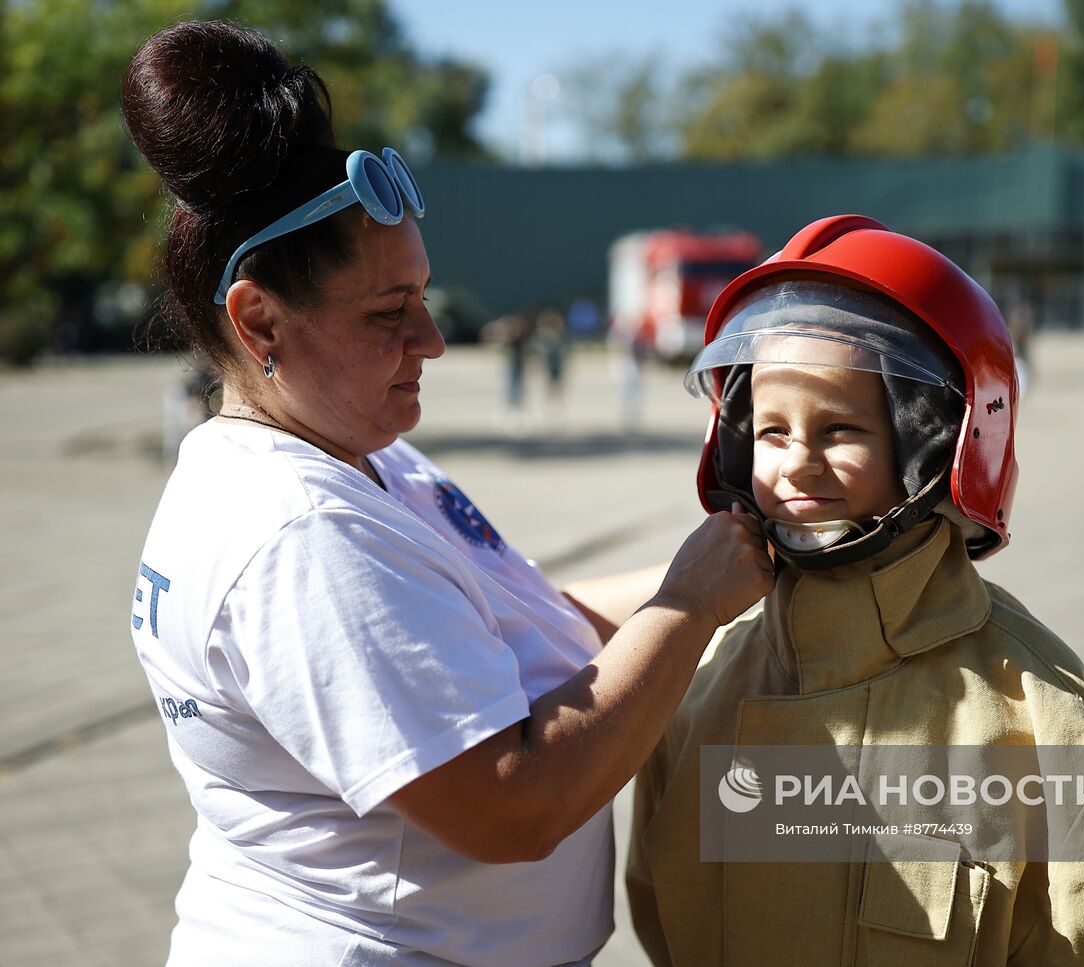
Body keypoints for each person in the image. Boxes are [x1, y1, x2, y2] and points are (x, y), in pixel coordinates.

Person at [121, 22, 772, 966]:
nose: (431, 341)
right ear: (259, 317)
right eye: (390, 313)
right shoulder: (298, 535)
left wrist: (751, 553)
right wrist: (689, 604)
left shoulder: (356, 456)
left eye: (423, 297)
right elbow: (515, 800)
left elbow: (540, 621)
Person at [627, 215, 1084, 966]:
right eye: (772, 432)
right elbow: (658, 907)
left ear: (937, 444)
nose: (798, 463)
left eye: (841, 429)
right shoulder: (702, 692)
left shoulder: (1029, 712)